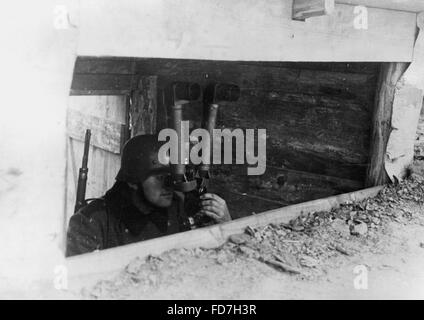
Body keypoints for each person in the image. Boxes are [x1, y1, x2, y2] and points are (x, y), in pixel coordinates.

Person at [66, 134, 231, 257]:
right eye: (160, 177)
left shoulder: (176, 205)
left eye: (171, 176)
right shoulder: (91, 222)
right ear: (133, 181)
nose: (169, 185)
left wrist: (225, 222)